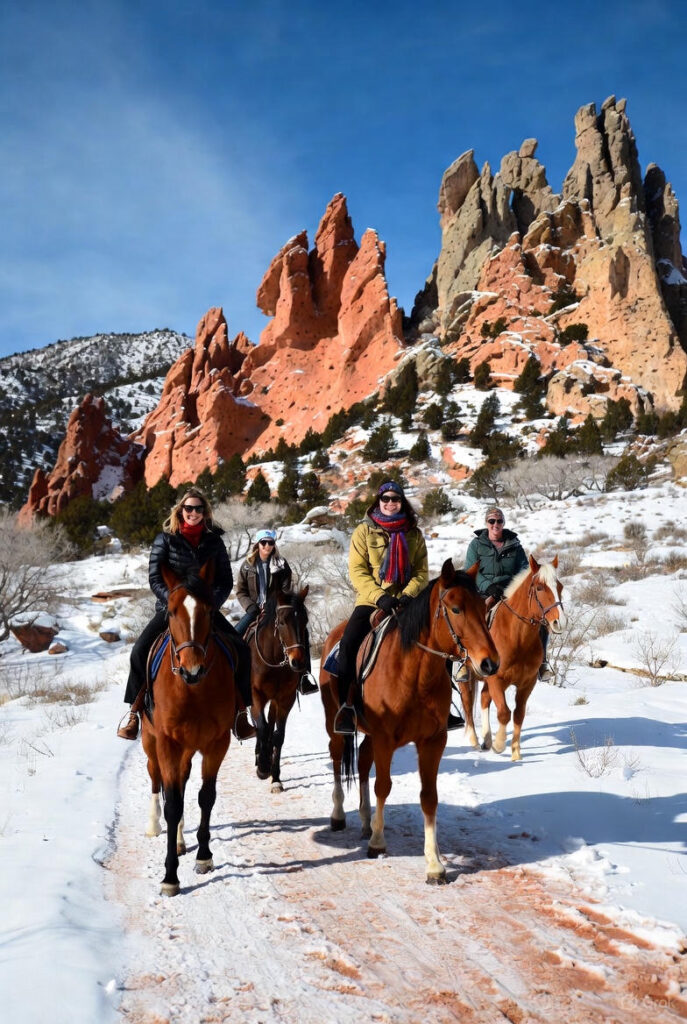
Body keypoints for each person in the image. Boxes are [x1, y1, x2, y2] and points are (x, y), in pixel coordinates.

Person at [117, 488, 256, 741]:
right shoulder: (165, 538)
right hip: (173, 609)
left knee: (242, 650)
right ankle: (135, 712)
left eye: (198, 509)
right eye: (188, 508)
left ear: (205, 512)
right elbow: (155, 577)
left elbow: (225, 580)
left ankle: (241, 713)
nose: (193, 513)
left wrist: (210, 603)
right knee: (139, 650)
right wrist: (173, 601)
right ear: (180, 510)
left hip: (204, 610)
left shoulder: (214, 541)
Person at [334, 481, 429, 735]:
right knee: (348, 646)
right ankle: (346, 707)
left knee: (440, 638)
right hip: (371, 601)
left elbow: (421, 571)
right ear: (378, 501)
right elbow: (357, 571)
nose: (390, 503)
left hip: (406, 601)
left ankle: (441, 704)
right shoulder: (363, 532)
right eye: (385, 498)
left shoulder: (414, 534)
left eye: (395, 499)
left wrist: (409, 595)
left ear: (402, 502)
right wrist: (379, 597)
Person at [461, 506, 551, 680]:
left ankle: (542, 664)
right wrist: (488, 586)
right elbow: (470, 570)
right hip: (484, 591)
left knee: (540, 619)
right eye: (492, 521)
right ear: (486, 523)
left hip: (510, 592)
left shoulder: (514, 545)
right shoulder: (476, 544)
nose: (496, 525)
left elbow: (525, 570)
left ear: (504, 523)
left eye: (499, 521)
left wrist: (511, 586)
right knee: (468, 619)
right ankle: (463, 661)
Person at [235, 528, 318, 695]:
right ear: (257, 544)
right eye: (263, 542)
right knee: (235, 636)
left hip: (277, 610)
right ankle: (235, 677)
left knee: (303, 634)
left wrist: (277, 605)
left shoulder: (281, 564)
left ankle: (304, 677)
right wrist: (251, 606)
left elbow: (286, 589)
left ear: (274, 544)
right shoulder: (247, 566)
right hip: (254, 609)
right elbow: (241, 591)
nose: (267, 546)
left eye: (270, 542)